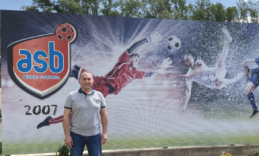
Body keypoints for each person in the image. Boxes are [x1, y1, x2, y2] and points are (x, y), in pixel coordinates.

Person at [37, 32, 172, 129]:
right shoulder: (123, 61)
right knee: (75, 69)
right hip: (100, 81)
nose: (135, 59)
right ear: (130, 58)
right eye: (134, 57)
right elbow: (132, 48)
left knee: (78, 112)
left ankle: (50, 121)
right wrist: (147, 40)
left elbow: (148, 74)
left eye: (137, 59)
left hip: (105, 90)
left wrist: (160, 68)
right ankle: (49, 67)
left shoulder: (135, 73)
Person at [63, 71, 108, 156]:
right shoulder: (71, 96)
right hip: (77, 136)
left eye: (89, 79)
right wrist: (67, 135)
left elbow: (104, 115)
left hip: (94, 135)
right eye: (84, 79)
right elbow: (66, 117)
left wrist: (104, 132)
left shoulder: (99, 96)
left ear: (93, 81)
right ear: (79, 81)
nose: (87, 81)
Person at [180, 26, 243, 110]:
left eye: (191, 57)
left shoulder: (198, 62)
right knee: (219, 80)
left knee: (220, 62)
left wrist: (188, 75)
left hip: (214, 71)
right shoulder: (189, 76)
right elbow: (188, 90)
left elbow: (199, 69)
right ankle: (235, 79)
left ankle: (227, 42)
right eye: (188, 59)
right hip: (212, 83)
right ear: (186, 63)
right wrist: (185, 105)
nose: (190, 59)